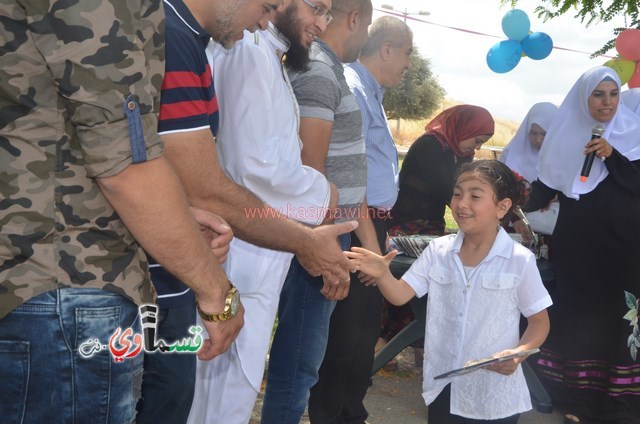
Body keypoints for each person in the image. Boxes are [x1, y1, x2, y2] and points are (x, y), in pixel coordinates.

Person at [0, 1, 244, 423]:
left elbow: (60, 139)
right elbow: (124, 169)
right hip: (66, 290)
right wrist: (217, 293)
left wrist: (176, 217)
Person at [136, 0, 357, 422]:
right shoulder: (245, 49)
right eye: (316, 7)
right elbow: (253, 168)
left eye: (328, 13)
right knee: (214, 396)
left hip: (255, 250)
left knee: (226, 393)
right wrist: (324, 194)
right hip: (240, 253)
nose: (321, 23)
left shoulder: (264, 54)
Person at [347, 160, 552, 424]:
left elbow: (539, 323)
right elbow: (399, 295)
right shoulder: (437, 251)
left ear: (502, 207)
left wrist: (519, 353)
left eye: (475, 196)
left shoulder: (519, 260)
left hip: (494, 396)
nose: (462, 203)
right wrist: (382, 273)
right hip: (443, 386)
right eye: (457, 193)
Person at [261, 1, 375, 422]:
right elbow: (312, 169)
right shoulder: (319, 71)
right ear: (355, 20)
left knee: (302, 354)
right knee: (300, 358)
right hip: (314, 232)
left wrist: (369, 247)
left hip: (327, 230)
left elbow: (346, 173)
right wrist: (325, 245)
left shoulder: (328, 70)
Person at [308, 16, 414, 423]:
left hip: (370, 224)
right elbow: (350, 176)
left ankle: (350, 411)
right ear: (387, 48)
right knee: (346, 335)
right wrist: (370, 241)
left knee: (362, 330)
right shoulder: (353, 89)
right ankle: (333, 414)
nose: (407, 64)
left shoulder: (372, 93)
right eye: (406, 53)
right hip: (354, 223)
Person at [522, 66, 640, 424]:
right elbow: (544, 187)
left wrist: (611, 155)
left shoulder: (634, 134)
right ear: (583, 98)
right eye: (598, 95)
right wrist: (507, 202)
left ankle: (620, 404)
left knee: (618, 322)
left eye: (613, 94)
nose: (607, 102)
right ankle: (577, 400)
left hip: (624, 251)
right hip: (579, 251)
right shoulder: (563, 137)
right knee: (580, 321)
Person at [388, 105, 495, 237]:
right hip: (405, 218)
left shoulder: (463, 153)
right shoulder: (429, 144)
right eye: (477, 141)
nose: (478, 147)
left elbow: (464, 185)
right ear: (465, 129)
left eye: (482, 143)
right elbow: (442, 186)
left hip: (433, 220)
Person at [500, 102, 559, 236]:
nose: (538, 139)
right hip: (514, 225)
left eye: (544, 134)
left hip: (549, 229)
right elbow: (499, 190)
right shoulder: (511, 153)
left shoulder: (563, 157)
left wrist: (552, 198)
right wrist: (515, 218)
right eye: (533, 133)